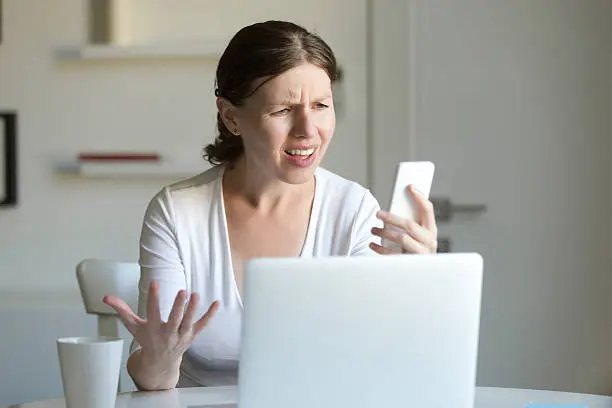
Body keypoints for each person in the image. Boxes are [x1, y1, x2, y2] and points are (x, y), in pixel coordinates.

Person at [103, 20, 438, 391]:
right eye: (283, 111)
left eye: (321, 105)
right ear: (231, 117)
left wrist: (417, 290)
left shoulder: (354, 210)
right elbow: (153, 382)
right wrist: (161, 357)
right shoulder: (177, 213)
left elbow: (375, 361)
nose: (308, 130)